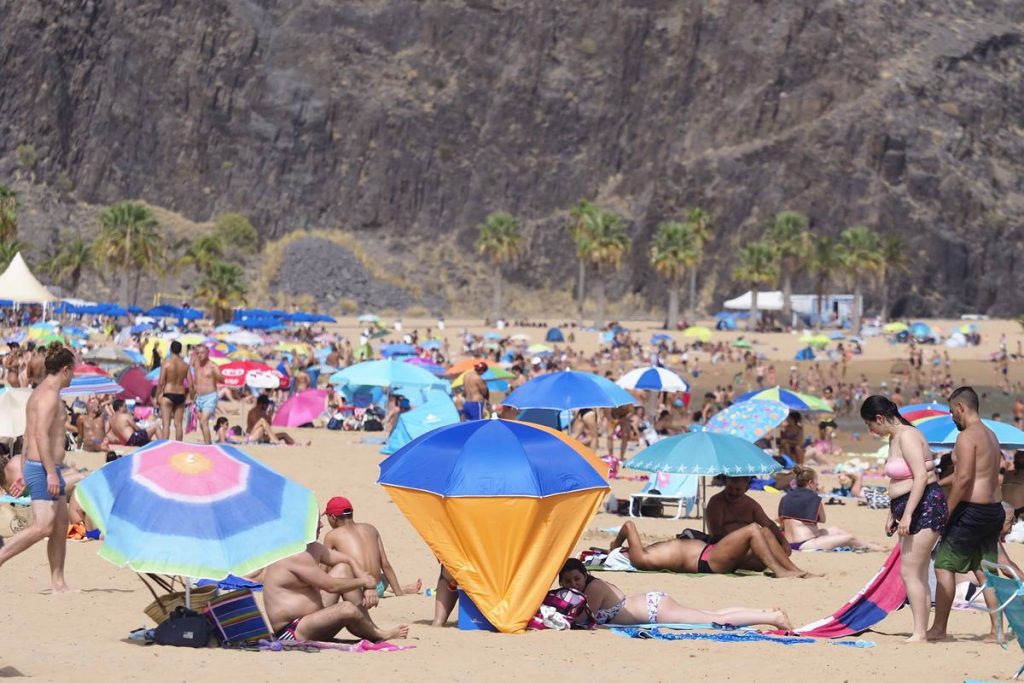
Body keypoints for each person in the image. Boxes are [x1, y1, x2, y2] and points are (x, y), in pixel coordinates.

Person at [861, 394, 947, 642]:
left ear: (880, 418)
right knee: (915, 571)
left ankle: (920, 632)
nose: (870, 430)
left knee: (911, 571)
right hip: (913, 505)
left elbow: (920, 477)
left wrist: (907, 514)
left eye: (870, 425)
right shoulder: (895, 437)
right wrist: (893, 512)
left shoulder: (907, 436)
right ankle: (922, 630)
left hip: (925, 506)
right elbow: (900, 479)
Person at [929, 386, 1005, 642]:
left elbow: (964, 479)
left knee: (943, 564)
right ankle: (997, 631)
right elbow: (980, 473)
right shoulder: (991, 435)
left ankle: (939, 628)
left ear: (961, 407)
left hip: (971, 511)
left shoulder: (967, 437)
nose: (952, 417)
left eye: (952, 411)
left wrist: (946, 512)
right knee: (985, 570)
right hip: (993, 510)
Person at [0, 344, 76, 592]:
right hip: (44, 468)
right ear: (65, 370)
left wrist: (22, 470)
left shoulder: (39, 393)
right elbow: (41, 436)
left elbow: (27, 433)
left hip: (40, 466)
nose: (73, 376)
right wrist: (50, 472)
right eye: (73, 371)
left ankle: (58, 583)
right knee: (43, 525)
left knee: (61, 524)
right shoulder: (49, 396)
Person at [558, 559, 792, 629]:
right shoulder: (588, 588)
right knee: (712, 614)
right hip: (654, 605)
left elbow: (583, 622)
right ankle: (766, 612)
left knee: (715, 621)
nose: (573, 584)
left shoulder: (594, 588)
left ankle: (773, 619)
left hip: (655, 611)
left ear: (585, 574)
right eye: (568, 581)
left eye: (576, 578)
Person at [262, 536, 409, 642]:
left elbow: (347, 560)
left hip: (314, 617)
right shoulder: (293, 555)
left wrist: (369, 586)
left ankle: (370, 627)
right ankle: (380, 635)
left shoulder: (313, 547)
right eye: (317, 521)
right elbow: (331, 586)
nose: (321, 524)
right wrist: (363, 581)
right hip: (293, 630)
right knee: (347, 609)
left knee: (343, 569)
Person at [608, 520, 814, 578]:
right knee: (752, 530)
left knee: (766, 533)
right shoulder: (638, 558)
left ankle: (793, 569)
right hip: (708, 560)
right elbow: (628, 526)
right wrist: (614, 546)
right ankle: (779, 571)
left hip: (710, 554)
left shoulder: (644, 554)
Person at [321, 496, 420, 599]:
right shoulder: (371, 529)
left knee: (334, 565)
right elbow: (385, 564)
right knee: (382, 576)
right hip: (377, 589)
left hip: (354, 592)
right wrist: (398, 593)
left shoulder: (332, 535)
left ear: (333, 517)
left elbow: (322, 570)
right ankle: (398, 589)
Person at [778, 466, 879, 551]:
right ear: (810, 482)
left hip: (789, 542)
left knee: (835, 530)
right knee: (849, 538)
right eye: (816, 481)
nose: (817, 484)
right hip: (805, 543)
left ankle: (863, 543)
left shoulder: (785, 497)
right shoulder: (814, 498)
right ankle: (871, 547)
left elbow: (781, 521)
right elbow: (822, 519)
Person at [706, 476, 790, 568]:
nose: (733, 492)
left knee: (766, 531)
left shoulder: (750, 505)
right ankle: (783, 568)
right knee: (761, 539)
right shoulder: (717, 502)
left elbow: (768, 523)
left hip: (747, 550)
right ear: (726, 483)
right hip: (724, 549)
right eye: (730, 488)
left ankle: (789, 568)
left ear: (746, 488)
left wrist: (784, 542)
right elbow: (716, 532)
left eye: (738, 490)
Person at [189, 345, 223, 444]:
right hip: (198, 397)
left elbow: (222, 379)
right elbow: (190, 370)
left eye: (202, 353)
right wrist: (192, 396)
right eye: (198, 353)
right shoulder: (195, 364)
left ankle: (208, 447)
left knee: (204, 421)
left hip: (210, 397)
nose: (200, 355)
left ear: (208, 353)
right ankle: (207, 443)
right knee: (202, 423)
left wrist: (215, 373)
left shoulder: (213, 365)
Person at [156, 340, 188, 441]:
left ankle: (165, 446)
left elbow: (161, 382)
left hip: (168, 393)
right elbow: (191, 385)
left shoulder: (166, 364)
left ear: (170, 350)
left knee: (166, 424)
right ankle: (179, 446)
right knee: (178, 424)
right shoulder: (185, 365)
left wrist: (157, 396)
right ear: (180, 351)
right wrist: (191, 396)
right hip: (180, 394)